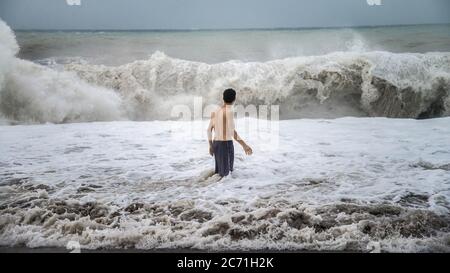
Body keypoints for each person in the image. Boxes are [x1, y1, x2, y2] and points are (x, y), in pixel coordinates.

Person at [207, 88, 253, 177]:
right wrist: (244, 145)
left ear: (223, 98)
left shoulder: (215, 111)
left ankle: (210, 189)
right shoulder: (229, 111)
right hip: (225, 144)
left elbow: (209, 129)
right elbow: (232, 131)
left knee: (219, 173)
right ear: (234, 99)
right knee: (226, 175)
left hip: (216, 144)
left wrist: (211, 145)